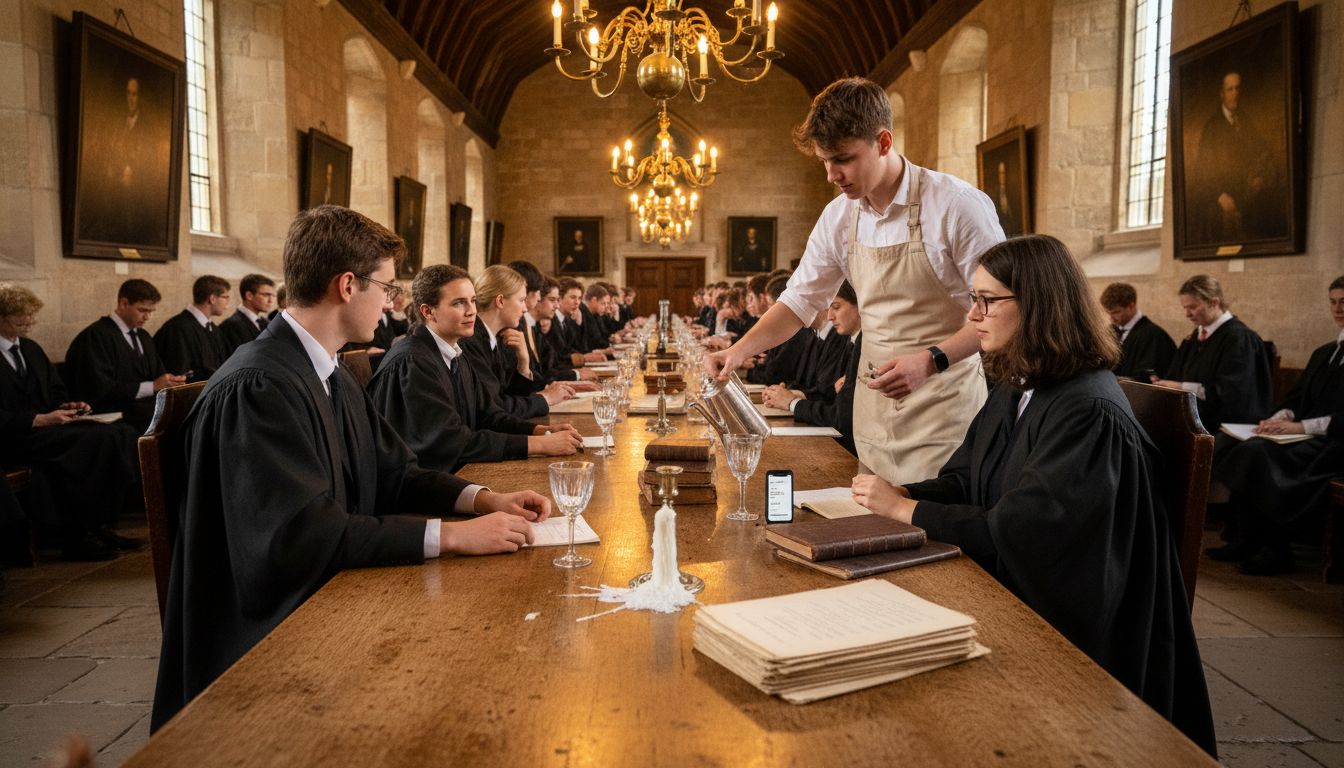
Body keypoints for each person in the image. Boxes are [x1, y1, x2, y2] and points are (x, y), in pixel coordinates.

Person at [151, 204, 550, 731]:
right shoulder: (260, 388)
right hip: (269, 645)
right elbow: (301, 539)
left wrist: (482, 499)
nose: (392, 302)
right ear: (347, 286)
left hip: (332, 597)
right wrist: (453, 538)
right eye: (386, 289)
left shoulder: (330, 372)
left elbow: (395, 472)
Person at [849, 235, 1216, 756]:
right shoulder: (1018, 384)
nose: (973, 316)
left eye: (987, 301)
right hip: (1021, 584)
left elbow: (1026, 531)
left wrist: (906, 510)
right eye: (972, 299)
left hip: (1075, 633)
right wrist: (899, 493)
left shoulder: (1087, 409)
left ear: (1039, 303)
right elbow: (966, 476)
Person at [707, 77, 1003, 485]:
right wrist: (738, 351)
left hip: (944, 407)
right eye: (824, 161)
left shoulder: (955, 205)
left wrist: (931, 360)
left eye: (843, 159)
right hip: (873, 412)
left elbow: (1003, 311)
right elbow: (798, 301)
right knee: (872, 533)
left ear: (883, 142)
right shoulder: (838, 217)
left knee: (933, 540)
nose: (832, 175)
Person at [369, 265, 582, 472]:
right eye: (459, 303)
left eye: (472, 301)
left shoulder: (455, 353)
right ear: (428, 311)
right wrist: (540, 445)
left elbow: (489, 414)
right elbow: (450, 441)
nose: (472, 311)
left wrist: (541, 431)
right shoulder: (413, 362)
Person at [1205, 276, 1344, 575]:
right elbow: (1298, 396)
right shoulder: (1324, 352)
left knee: (1261, 454)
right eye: (1333, 301)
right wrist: (1279, 417)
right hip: (1306, 434)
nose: (1337, 309)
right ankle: (1246, 538)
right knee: (1238, 443)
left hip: (1334, 442)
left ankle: (1276, 548)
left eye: (1343, 302)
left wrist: (1300, 427)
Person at [0, 285, 139, 561]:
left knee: (120, 432)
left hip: (47, 428)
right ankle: (75, 535)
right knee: (92, 442)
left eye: (31, 317)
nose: (28, 323)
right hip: (14, 435)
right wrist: (37, 418)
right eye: (19, 319)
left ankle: (101, 524)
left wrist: (69, 406)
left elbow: (55, 391)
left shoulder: (29, 348)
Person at [64, 279, 185, 433]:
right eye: (142, 310)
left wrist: (170, 382)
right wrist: (153, 386)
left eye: (151, 311)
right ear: (124, 303)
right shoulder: (95, 337)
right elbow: (99, 389)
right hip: (112, 411)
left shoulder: (143, 336)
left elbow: (157, 374)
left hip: (142, 407)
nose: (147, 317)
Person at [1153, 275, 1271, 432]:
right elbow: (1175, 374)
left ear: (1214, 302)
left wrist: (1181, 387)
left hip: (1227, 425)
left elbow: (1232, 394)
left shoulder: (1239, 339)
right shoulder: (1195, 337)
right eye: (1185, 308)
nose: (1187, 314)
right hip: (1195, 417)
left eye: (1193, 307)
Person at [460, 265, 573, 420]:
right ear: (500, 301)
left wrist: (523, 363)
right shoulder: (470, 342)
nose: (525, 309)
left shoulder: (496, 337)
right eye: (521, 300)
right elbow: (494, 408)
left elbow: (509, 394)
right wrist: (545, 398)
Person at [764, 280, 862, 455]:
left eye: (836, 307)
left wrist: (793, 402)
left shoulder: (849, 340)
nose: (830, 316)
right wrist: (800, 395)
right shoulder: (849, 340)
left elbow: (842, 417)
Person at [1191, 71, 1283, 243]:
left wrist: (1259, 177)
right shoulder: (1212, 127)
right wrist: (1219, 196)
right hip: (1220, 203)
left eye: (1237, 89)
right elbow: (1202, 171)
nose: (1235, 93)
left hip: (1246, 198)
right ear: (1222, 94)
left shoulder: (1246, 122)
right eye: (1230, 89)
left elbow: (1261, 153)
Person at [153, 275, 231, 383]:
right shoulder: (177, 328)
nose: (228, 303)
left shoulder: (214, 329)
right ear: (212, 298)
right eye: (225, 297)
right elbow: (178, 373)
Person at [1100, 282, 1176, 380]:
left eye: (1116, 312)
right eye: (1108, 313)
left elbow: (1149, 375)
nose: (1111, 318)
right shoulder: (1110, 331)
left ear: (1131, 306)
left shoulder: (1153, 334)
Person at [220, 274, 277, 355]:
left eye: (273, 296)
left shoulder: (267, 323)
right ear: (249, 295)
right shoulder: (230, 326)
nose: (271, 300)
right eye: (266, 295)